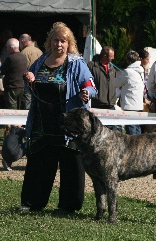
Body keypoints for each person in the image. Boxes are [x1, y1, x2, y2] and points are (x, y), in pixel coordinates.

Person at [20, 22, 97, 214]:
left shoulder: (76, 63)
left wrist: (86, 92)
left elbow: (90, 85)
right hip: (42, 124)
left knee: (71, 165)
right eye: (56, 40)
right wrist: (29, 79)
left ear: (69, 43)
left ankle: (68, 206)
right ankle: (32, 203)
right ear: (50, 42)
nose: (59, 44)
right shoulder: (40, 61)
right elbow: (32, 85)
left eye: (63, 41)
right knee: (39, 164)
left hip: (68, 125)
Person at [87, 46, 120, 132]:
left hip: (111, 105)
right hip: (98, 105)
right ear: (104, 56)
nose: (113, 58)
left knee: (112, 132)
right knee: (98, 132)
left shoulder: (112, 68)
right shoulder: (91, 66)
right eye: (111, 56)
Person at [113, 50, 145, 134]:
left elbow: (116, 83)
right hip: (138, 104)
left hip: (129, 105)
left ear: (128, 60)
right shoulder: (141, 70)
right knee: (137, 128)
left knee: (131, 130)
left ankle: (132, 147)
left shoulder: (127, 72)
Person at [0, 38, 28, 110]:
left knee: (11, 111)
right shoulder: (24, 57)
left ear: (10, 47)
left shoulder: (10, 58)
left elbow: (1, 71)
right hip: (22, 87)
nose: (6, 49)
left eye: (7, 47)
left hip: (12, 89)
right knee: (20, 110)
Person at [19, 33, 43, 110]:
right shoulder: (40, 51)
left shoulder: (23, 52)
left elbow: (21, 69)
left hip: (28, 81)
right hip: (40, 80)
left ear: (22, 41)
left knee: (28, 102)